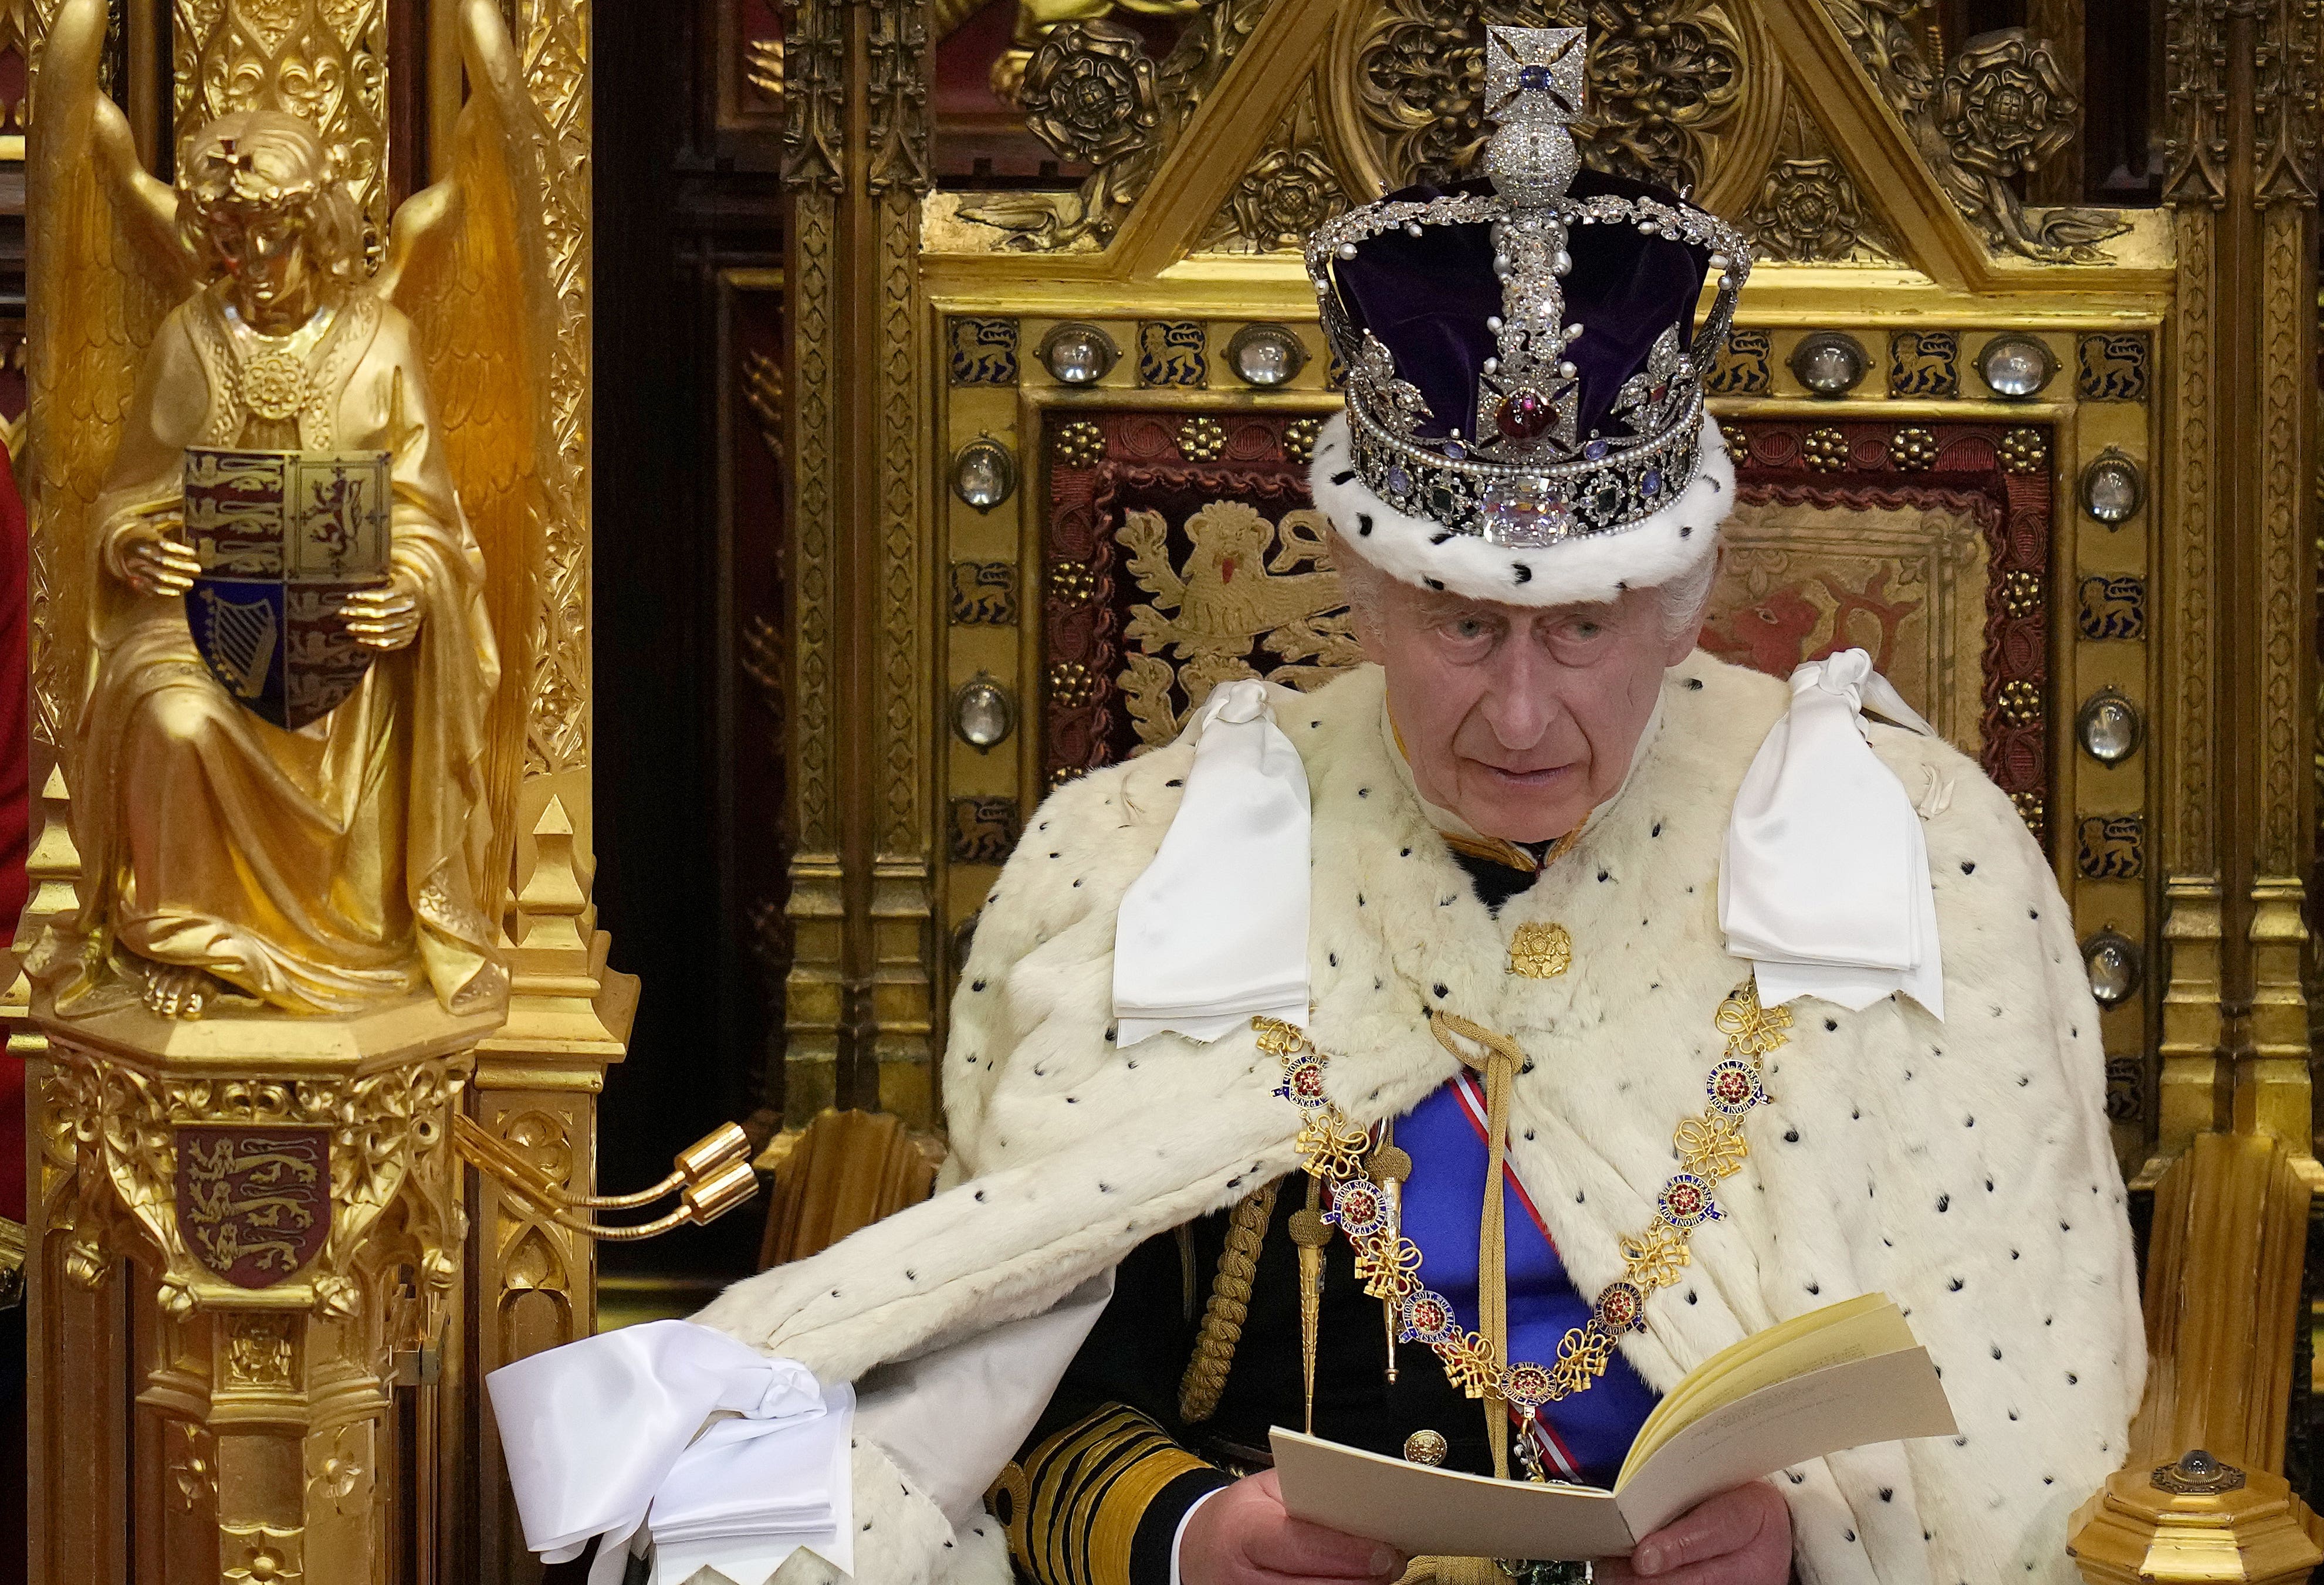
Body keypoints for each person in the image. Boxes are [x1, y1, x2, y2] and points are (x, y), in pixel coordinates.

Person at [490, 29, 2143, 1585]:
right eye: (1455, 621)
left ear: (1684, 599)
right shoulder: (1151, 855)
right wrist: (1185, 1534)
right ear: (1351, 582)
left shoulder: (1904, 850)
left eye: (1579, 627)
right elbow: (1016, 1404)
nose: (1514, 712)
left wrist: (1801, 1535)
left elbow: (2009, 1442)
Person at [36, 110, 505, 1020]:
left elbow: (431, 521)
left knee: (364, 691)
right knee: (170, 717)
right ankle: (188, 938)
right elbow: (126, 498)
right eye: (232, 242)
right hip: (207, 624)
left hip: (347, 641)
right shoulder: (188, 338)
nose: (255, 263)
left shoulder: (384, 342)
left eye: (275, 239)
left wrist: (409, 589)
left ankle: (370, 930)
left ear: (319, 229)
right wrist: (135, 546)